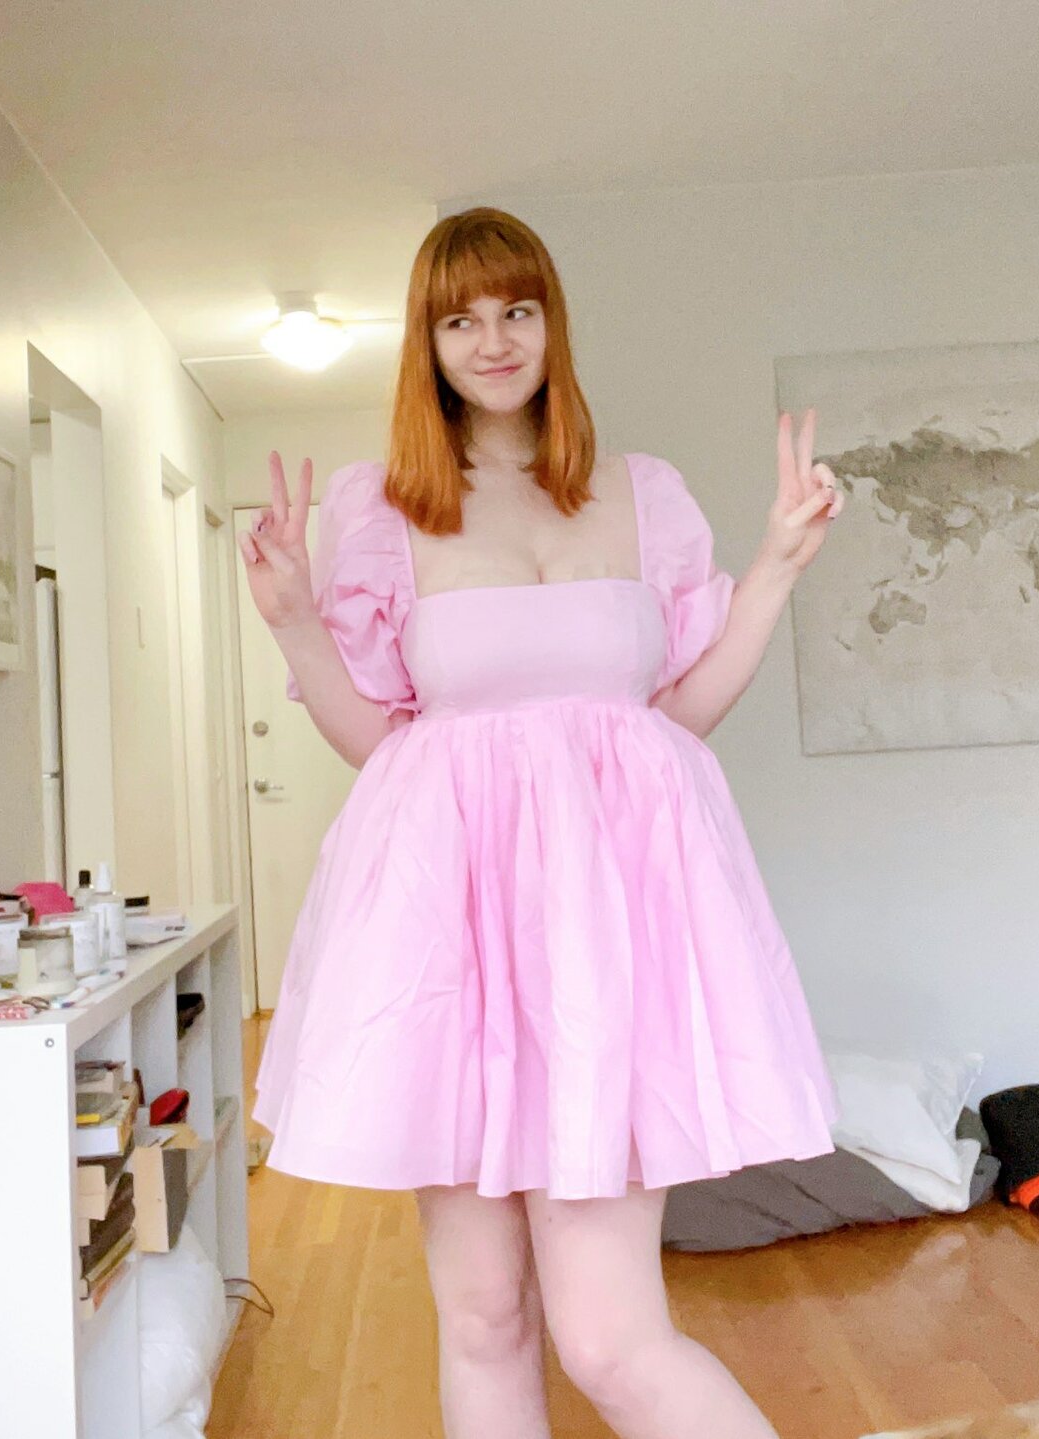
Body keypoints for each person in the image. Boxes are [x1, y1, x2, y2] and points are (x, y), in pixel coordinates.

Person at [238, 206, 843, 1439]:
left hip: (606, 947)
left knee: (613, 1338)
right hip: (452, 947)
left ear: (551, 322)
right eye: (460, 320)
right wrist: (295, 620)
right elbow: (383, 743)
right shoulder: (383, 512)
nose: (494, 340)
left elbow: (676, 718)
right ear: (427, 343)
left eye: (517, 310)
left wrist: (778, 565)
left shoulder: (644, 494)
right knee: (483, 1318)